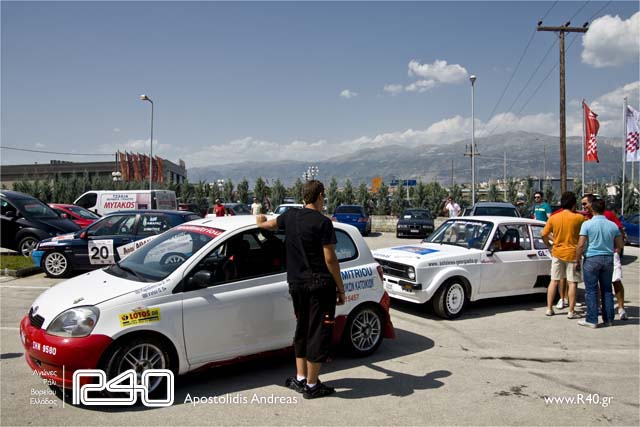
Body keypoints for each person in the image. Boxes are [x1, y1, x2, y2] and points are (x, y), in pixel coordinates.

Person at [256, 180, 345, 399]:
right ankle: (312, 386)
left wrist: (259, 220)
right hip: (319, 285)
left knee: (302, 328)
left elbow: (267, 225)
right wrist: (341, 288)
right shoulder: (323, 222)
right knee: (318, 332)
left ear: (304, 196)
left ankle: (300, 378)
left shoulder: (290, 216)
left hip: (296, 285)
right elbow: (330, 259)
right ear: (320, 195)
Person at [575, 199, 624, 328]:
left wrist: (577, 260)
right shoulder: (613, 225)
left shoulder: (587, 224)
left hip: (592, 258)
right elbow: (619, 244)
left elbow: (581, 244)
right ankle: (609, 319)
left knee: (591, 290)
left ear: (592, 209)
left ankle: (592, 320)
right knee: (607, 289)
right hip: (608, 258)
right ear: (604, 209)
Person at [541, 192, 585, 319]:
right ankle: (571, 311)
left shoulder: (554, 218)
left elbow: (543, 234)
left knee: (554, 281)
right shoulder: (579, 218)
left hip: (557, 252)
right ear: (573, 204)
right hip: (573, 254)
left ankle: (549, 308)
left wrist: (550, 245)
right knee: (572, 282)